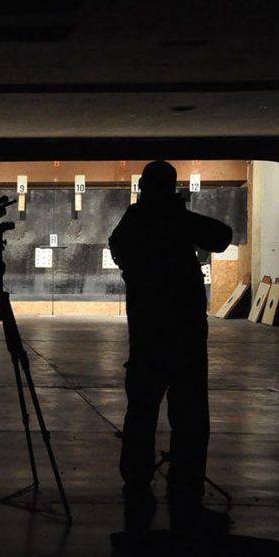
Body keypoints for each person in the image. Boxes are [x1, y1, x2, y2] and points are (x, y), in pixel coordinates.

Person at [108, 160, 233, 533]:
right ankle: (184, 490)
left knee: (142, 414)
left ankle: (137, 485)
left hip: (149, 336)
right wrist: (178, 214)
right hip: (182, 336)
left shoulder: (134, 222)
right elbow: (220, 236)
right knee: (190, 417)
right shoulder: (170, 220)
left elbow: (122, 251)